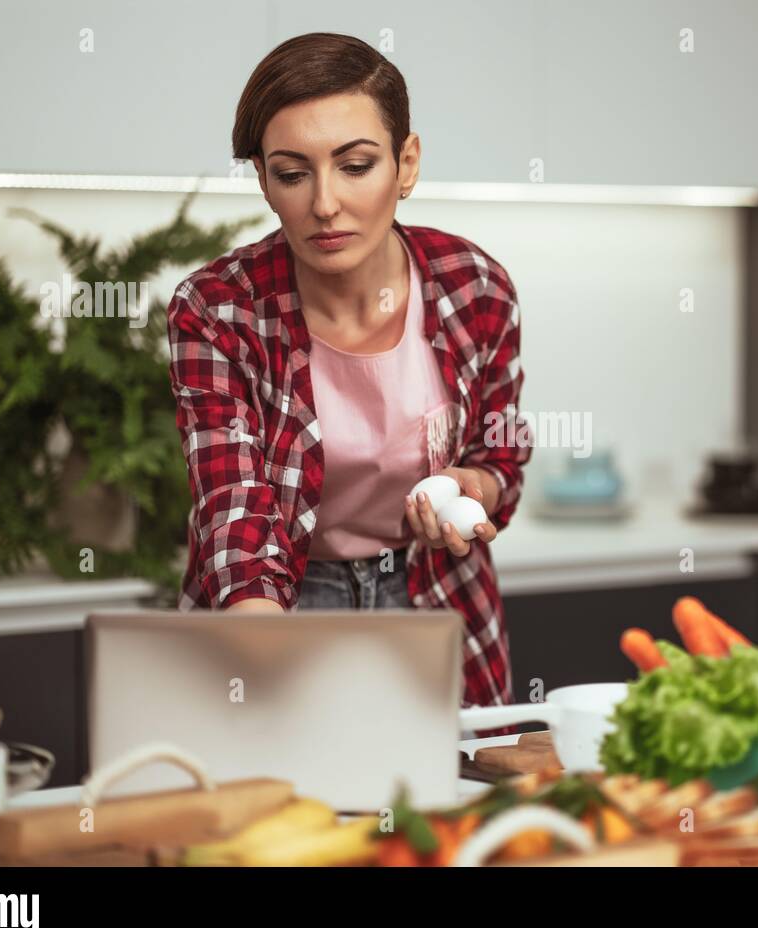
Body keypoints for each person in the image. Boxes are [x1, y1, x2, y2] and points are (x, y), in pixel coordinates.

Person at [167, 33, 530, 708]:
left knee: (452, 809)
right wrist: (265, 659)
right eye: (293, 172)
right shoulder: (218, 309)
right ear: (264, 180)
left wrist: (466, 486)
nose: (325, 203)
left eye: (356, 165)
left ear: (406, 162)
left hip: (436, 600)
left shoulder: (476, 287)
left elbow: (501, 457)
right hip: (280, 602)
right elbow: (232, 510)